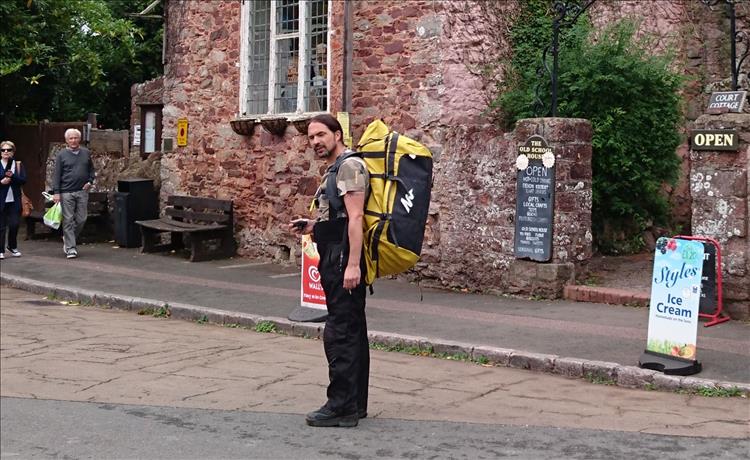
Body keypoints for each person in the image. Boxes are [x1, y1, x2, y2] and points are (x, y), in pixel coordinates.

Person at [289, 114, 370, 428]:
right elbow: (338, 218)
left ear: (338, 134)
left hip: (342, 261)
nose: (316, 142)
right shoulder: (339, 168)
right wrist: (312, 225)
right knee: (352, 330)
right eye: (311, 137)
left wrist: (352, 264)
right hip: (336, 254)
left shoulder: (350, 166)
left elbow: (356, 217)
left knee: (340, 333)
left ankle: (341, 407)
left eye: (321, 135)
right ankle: (355, 403)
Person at [52, 128, 95, 259]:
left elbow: (91, 170)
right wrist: (56, 192)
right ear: (66, 140)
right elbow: (56, 174)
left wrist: (90, 181)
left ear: (79, 139)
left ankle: (68, 237)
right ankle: (71, 248)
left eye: (75, 138)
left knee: (82, 219)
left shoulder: (86, 153)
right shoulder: (61, 155)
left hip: (82, 191)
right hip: (66, 192)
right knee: (68, 220)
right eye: (70, 138)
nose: (73, 140)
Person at [0, 141, 26, 260]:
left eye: (8, 150)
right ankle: (0, 250)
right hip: (1, 199)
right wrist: (1, 182)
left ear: (13, 152)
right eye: (3, 150)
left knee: (15, 224)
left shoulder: (18, 165)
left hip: (14, 199)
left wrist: (13, 176)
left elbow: (23, 180)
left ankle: (12, 246)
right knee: (1, 226)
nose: (6, 152)